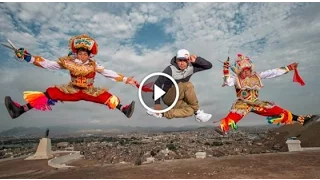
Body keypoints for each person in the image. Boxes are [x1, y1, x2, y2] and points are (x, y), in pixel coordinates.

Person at [4, 34, 138, 119]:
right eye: (80, 53)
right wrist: (28, 57)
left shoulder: (94, 64)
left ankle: (124, 110)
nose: (82, 55)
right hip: (71, 90)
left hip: (88, 91)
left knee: (108, 97)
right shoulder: (68, 62)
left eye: (85, 53)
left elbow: (108, 73)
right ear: (76, 53)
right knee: (49, 93)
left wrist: (126, 79)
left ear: (89, 54)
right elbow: (48, 64)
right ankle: (20, 110)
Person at [214, 53, 320, 135]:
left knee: (279, 111)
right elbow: (227, 81)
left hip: (257, 103)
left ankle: (303, 119)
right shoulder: (235, 79)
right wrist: (225, 70)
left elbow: (272, 72)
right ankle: (222, 128)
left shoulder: (257, 76)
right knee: (232, 118)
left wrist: (288, 68)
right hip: (243, 104)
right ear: (240, 70)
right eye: (244, 70)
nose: (247, 72)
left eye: (248, 70)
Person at [147, 49, 213, 122]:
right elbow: (157, 84)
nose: (182, 63)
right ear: (176, 60)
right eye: (180, 60)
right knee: (187, 85)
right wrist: (157, 103)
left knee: (190, 111)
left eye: (185, 61)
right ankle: (198, 112)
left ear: (188, 60)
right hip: (168, 97)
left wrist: (197, 60)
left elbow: (209, 66)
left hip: (179, 99)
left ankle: (161, 114)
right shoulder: (170, 70)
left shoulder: (191, 67)